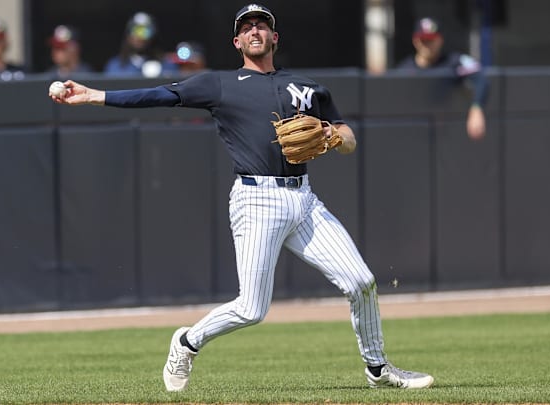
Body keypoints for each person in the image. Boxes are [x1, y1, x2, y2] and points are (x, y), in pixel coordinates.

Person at [50, 3, 434, 392]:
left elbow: (348, 138)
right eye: (247, 26)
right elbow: (157, 95)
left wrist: (334, 136)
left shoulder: (308, 88)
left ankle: (377, 368)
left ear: (274, 37)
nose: (255, 30)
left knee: (362, 281)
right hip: (256, 200)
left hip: (304, 201)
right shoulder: (220, 85)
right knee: (252, 309)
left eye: (262, 25)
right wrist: (92, 95)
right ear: (237, 41)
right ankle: (186, 342)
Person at [397, 17, 489, 140]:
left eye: (431, 40)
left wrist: (476, 108)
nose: (427, 45)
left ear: (440, 40)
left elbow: (481, 78)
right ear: (415, 40)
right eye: (423, 40)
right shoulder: (403, 70)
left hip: (450, 133)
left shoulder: (453, 62)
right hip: (414, 134)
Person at [103, 12, 165, 77]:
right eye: (135, 30)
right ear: (128, 35)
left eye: (145, 31)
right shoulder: (115, 65)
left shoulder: (165, 64)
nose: (139, 36)